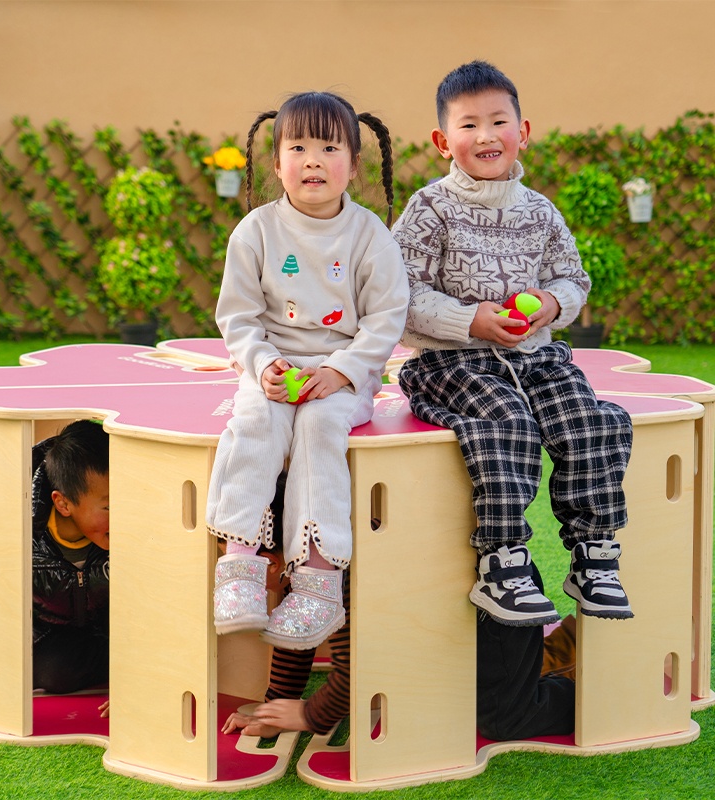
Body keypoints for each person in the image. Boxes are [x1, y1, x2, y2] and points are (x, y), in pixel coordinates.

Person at [392, 61, 634, 626]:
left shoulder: (540, 212)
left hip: (534, 356)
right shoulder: (429, 211)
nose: (485, 136)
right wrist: (469, 320)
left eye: (498, 121)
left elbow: (572, 279)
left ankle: (593, 554)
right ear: (441, 142)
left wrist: (551, 305)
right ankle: (503, 561)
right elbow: (398, 295)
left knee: (588, 419)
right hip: (453, 363)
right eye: (468, 125)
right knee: (505, 423)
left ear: (522, 131)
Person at [206, 90, 409, 651]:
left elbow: (387, 318)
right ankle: (240, 564)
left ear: (354, 163)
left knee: (320, 427)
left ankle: (319, 581)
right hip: (272, 366)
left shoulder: (370, 234)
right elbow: (238, 317)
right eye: (298, 147)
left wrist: (343, 372)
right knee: (254, 419)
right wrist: (264, 364)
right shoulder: (254, 232)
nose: (313, 159)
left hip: (344, 375)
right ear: (276, 163)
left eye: (329, 146)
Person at [223, 567, 576, 741]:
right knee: (456, 688)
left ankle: (599, 694)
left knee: (501, 717)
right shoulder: (303, 557)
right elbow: (298, 621)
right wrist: (277, 702)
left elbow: (352, 677)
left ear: (270, 565)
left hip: (496, 605)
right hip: (453, 614)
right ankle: (559, 648)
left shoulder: (332, 570)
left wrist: (308, 714)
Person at [31, 420, 110, 710]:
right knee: (54, 671)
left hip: (108, 632)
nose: (122, 515)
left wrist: (135, 678)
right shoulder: (29, 535)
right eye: (110, 506)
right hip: (52, 634)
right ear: (63, 504)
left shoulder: (125, 534)